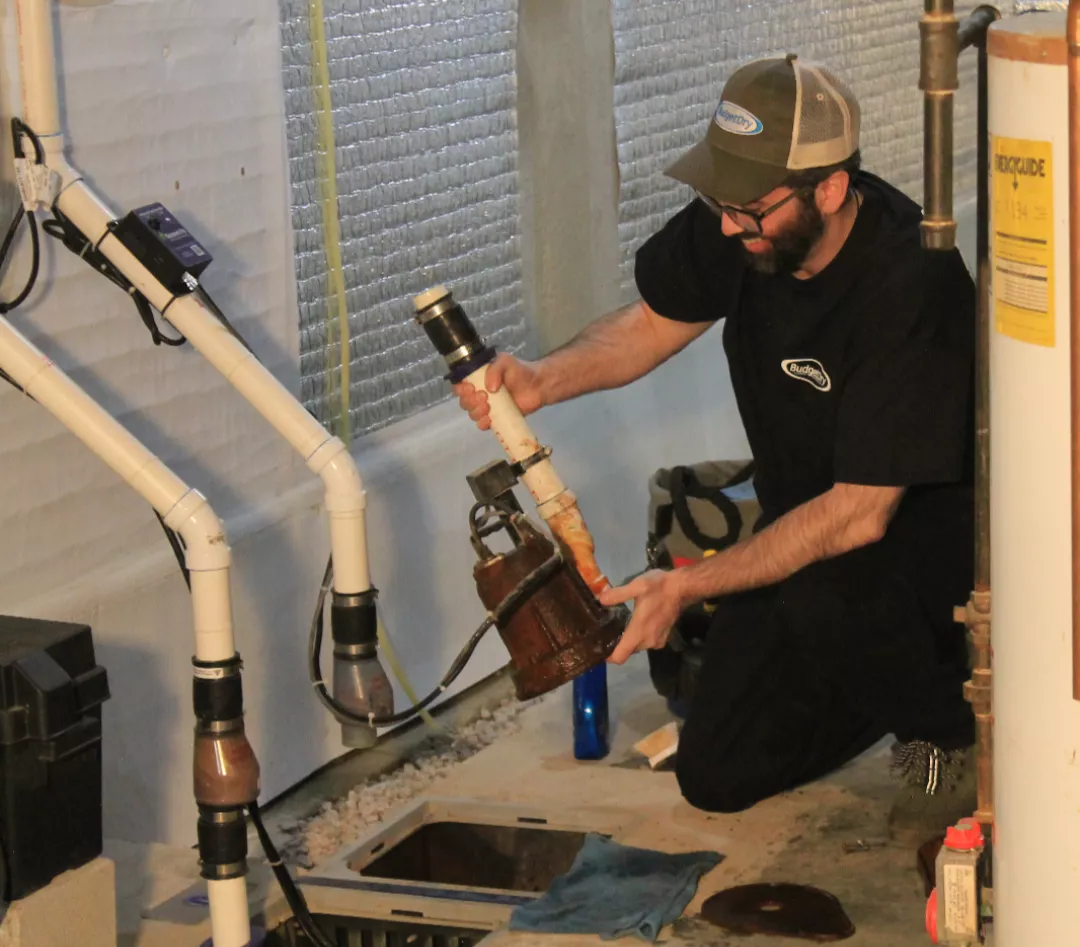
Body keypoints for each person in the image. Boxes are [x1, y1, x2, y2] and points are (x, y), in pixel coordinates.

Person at [454, 53, 976, 843]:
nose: (730, 226)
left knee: (826, 591)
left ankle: (950, 725)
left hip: (920, 545)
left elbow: (859, 516)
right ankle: (874, 698)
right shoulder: (740, 220)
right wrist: (537, 380)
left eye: (751, 210)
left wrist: (687, 586)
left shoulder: (910, 283)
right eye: (719, 202)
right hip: (809, 526)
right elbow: (653, 324)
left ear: (829, 188)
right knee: (717, 772)